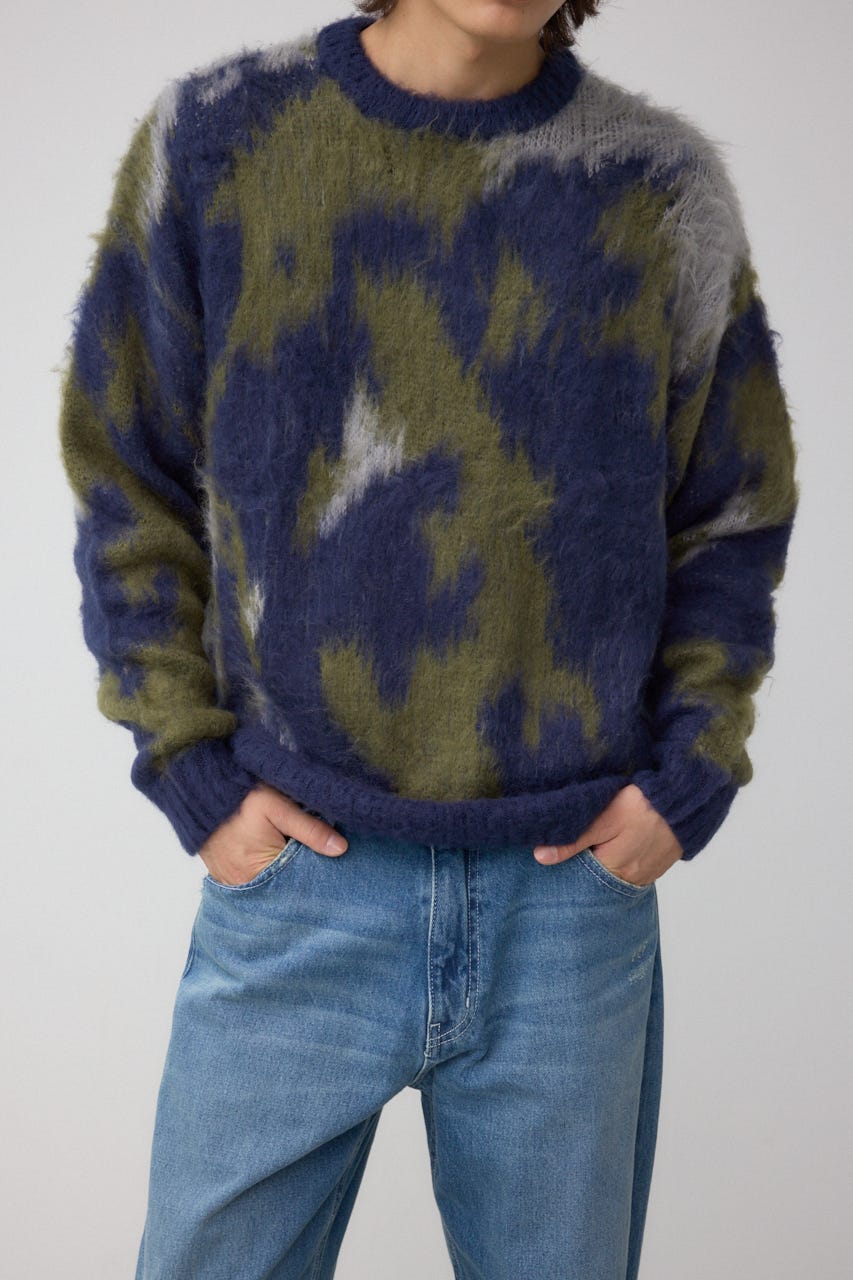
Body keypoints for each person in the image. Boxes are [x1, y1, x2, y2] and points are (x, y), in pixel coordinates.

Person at [57, 2, 800, 1276]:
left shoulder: (660, 186)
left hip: (567, 905)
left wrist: (688, 778)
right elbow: (126, 469)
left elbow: (732, 508)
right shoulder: (217, 139)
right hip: (299, 883)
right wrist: (188, 765)